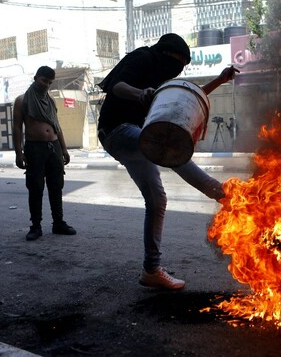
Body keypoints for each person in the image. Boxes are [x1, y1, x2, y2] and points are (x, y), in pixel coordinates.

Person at [97, 33, 238, 290]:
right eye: (179, 63)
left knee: (157, 199)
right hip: (118, 132)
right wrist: (141, 94)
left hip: (142, 139)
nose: (178, 70)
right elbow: (117, 85)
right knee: (170, 147)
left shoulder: (163, 79)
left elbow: (190, 97)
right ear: (167, 54)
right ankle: (221, 193)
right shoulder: (142, 57)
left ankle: (151, 270)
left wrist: (219, 80)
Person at [13, 66, 76, 241]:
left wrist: (63, 149)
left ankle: (58, 223)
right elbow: (17, 127)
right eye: (44, 81)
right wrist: (19, 152)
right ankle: (36, 226)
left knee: (56, 186)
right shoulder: (22, 100)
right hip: (34, 148)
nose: (46, 85)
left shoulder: (51, 101)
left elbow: (57, 125)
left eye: (49, 82)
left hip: (53, 146)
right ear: (35, 78)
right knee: (35, 188)